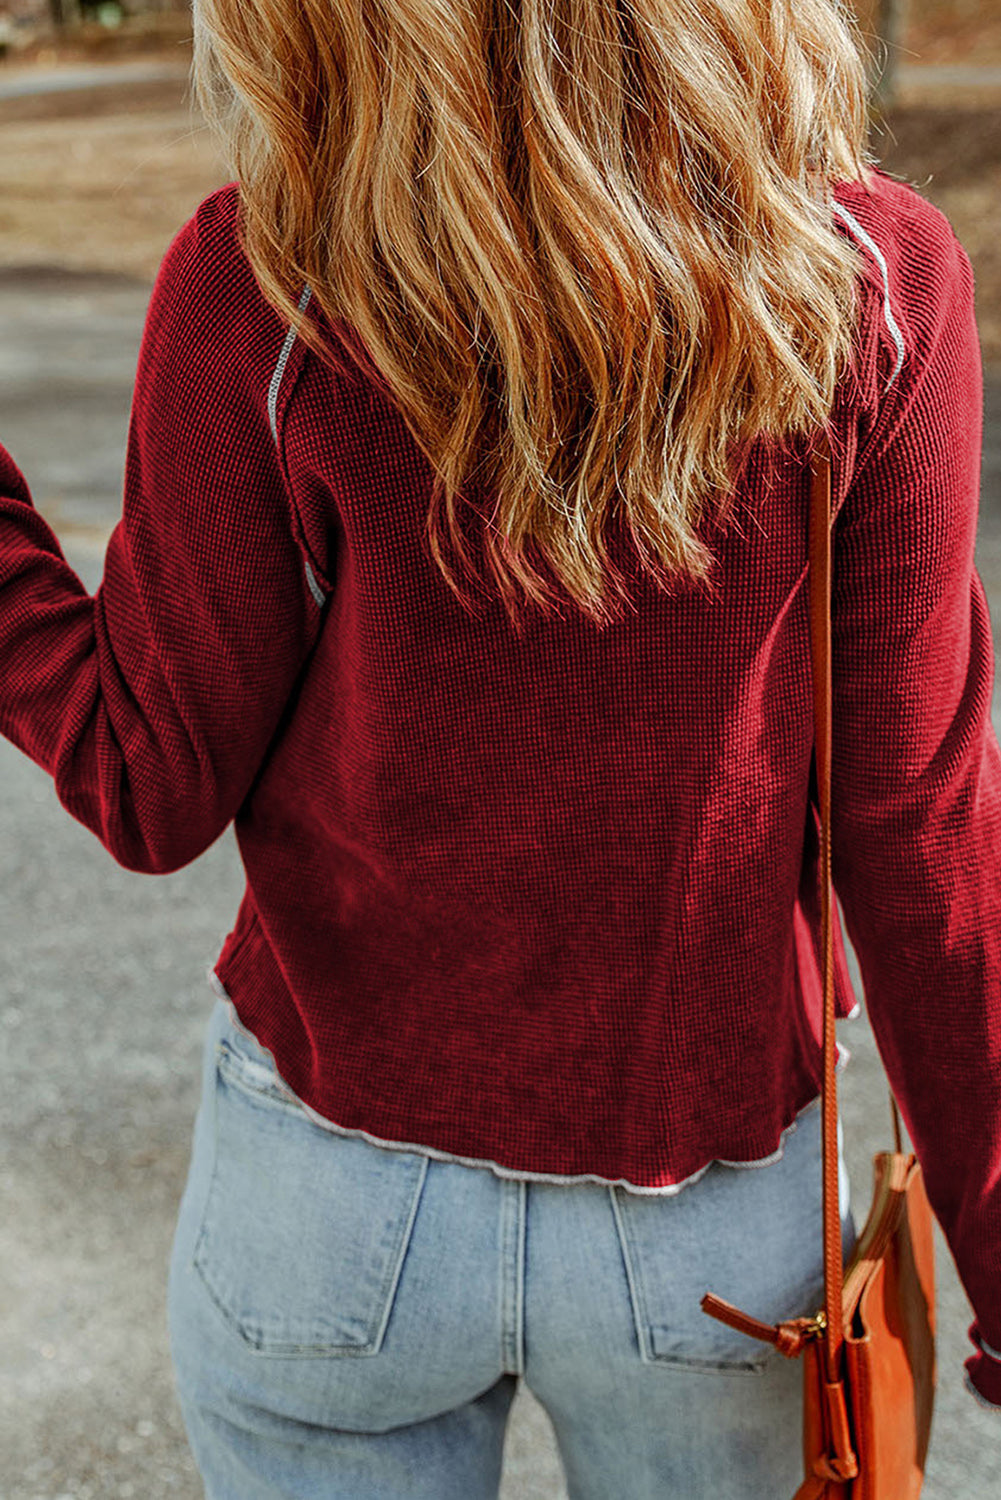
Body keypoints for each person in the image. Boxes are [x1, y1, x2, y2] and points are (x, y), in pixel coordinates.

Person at [2, 0, 1000, 1494]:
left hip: (332, 1206)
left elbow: (147, 783)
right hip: (712, 1240)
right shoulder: (867, 283)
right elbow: (916, 832)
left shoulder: (262, 285)